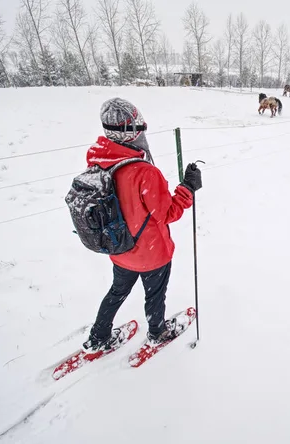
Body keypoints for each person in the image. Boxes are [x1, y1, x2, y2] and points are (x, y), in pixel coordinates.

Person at [82, 97, 202, 352]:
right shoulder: (144, 172)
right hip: (151, 253)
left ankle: (98, 336)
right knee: (155, 295)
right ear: (131, 131)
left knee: (116, 293)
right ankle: (157, 332)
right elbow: (168, 213)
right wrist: (188, 188)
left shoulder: (98, 161)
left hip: (120, 248)